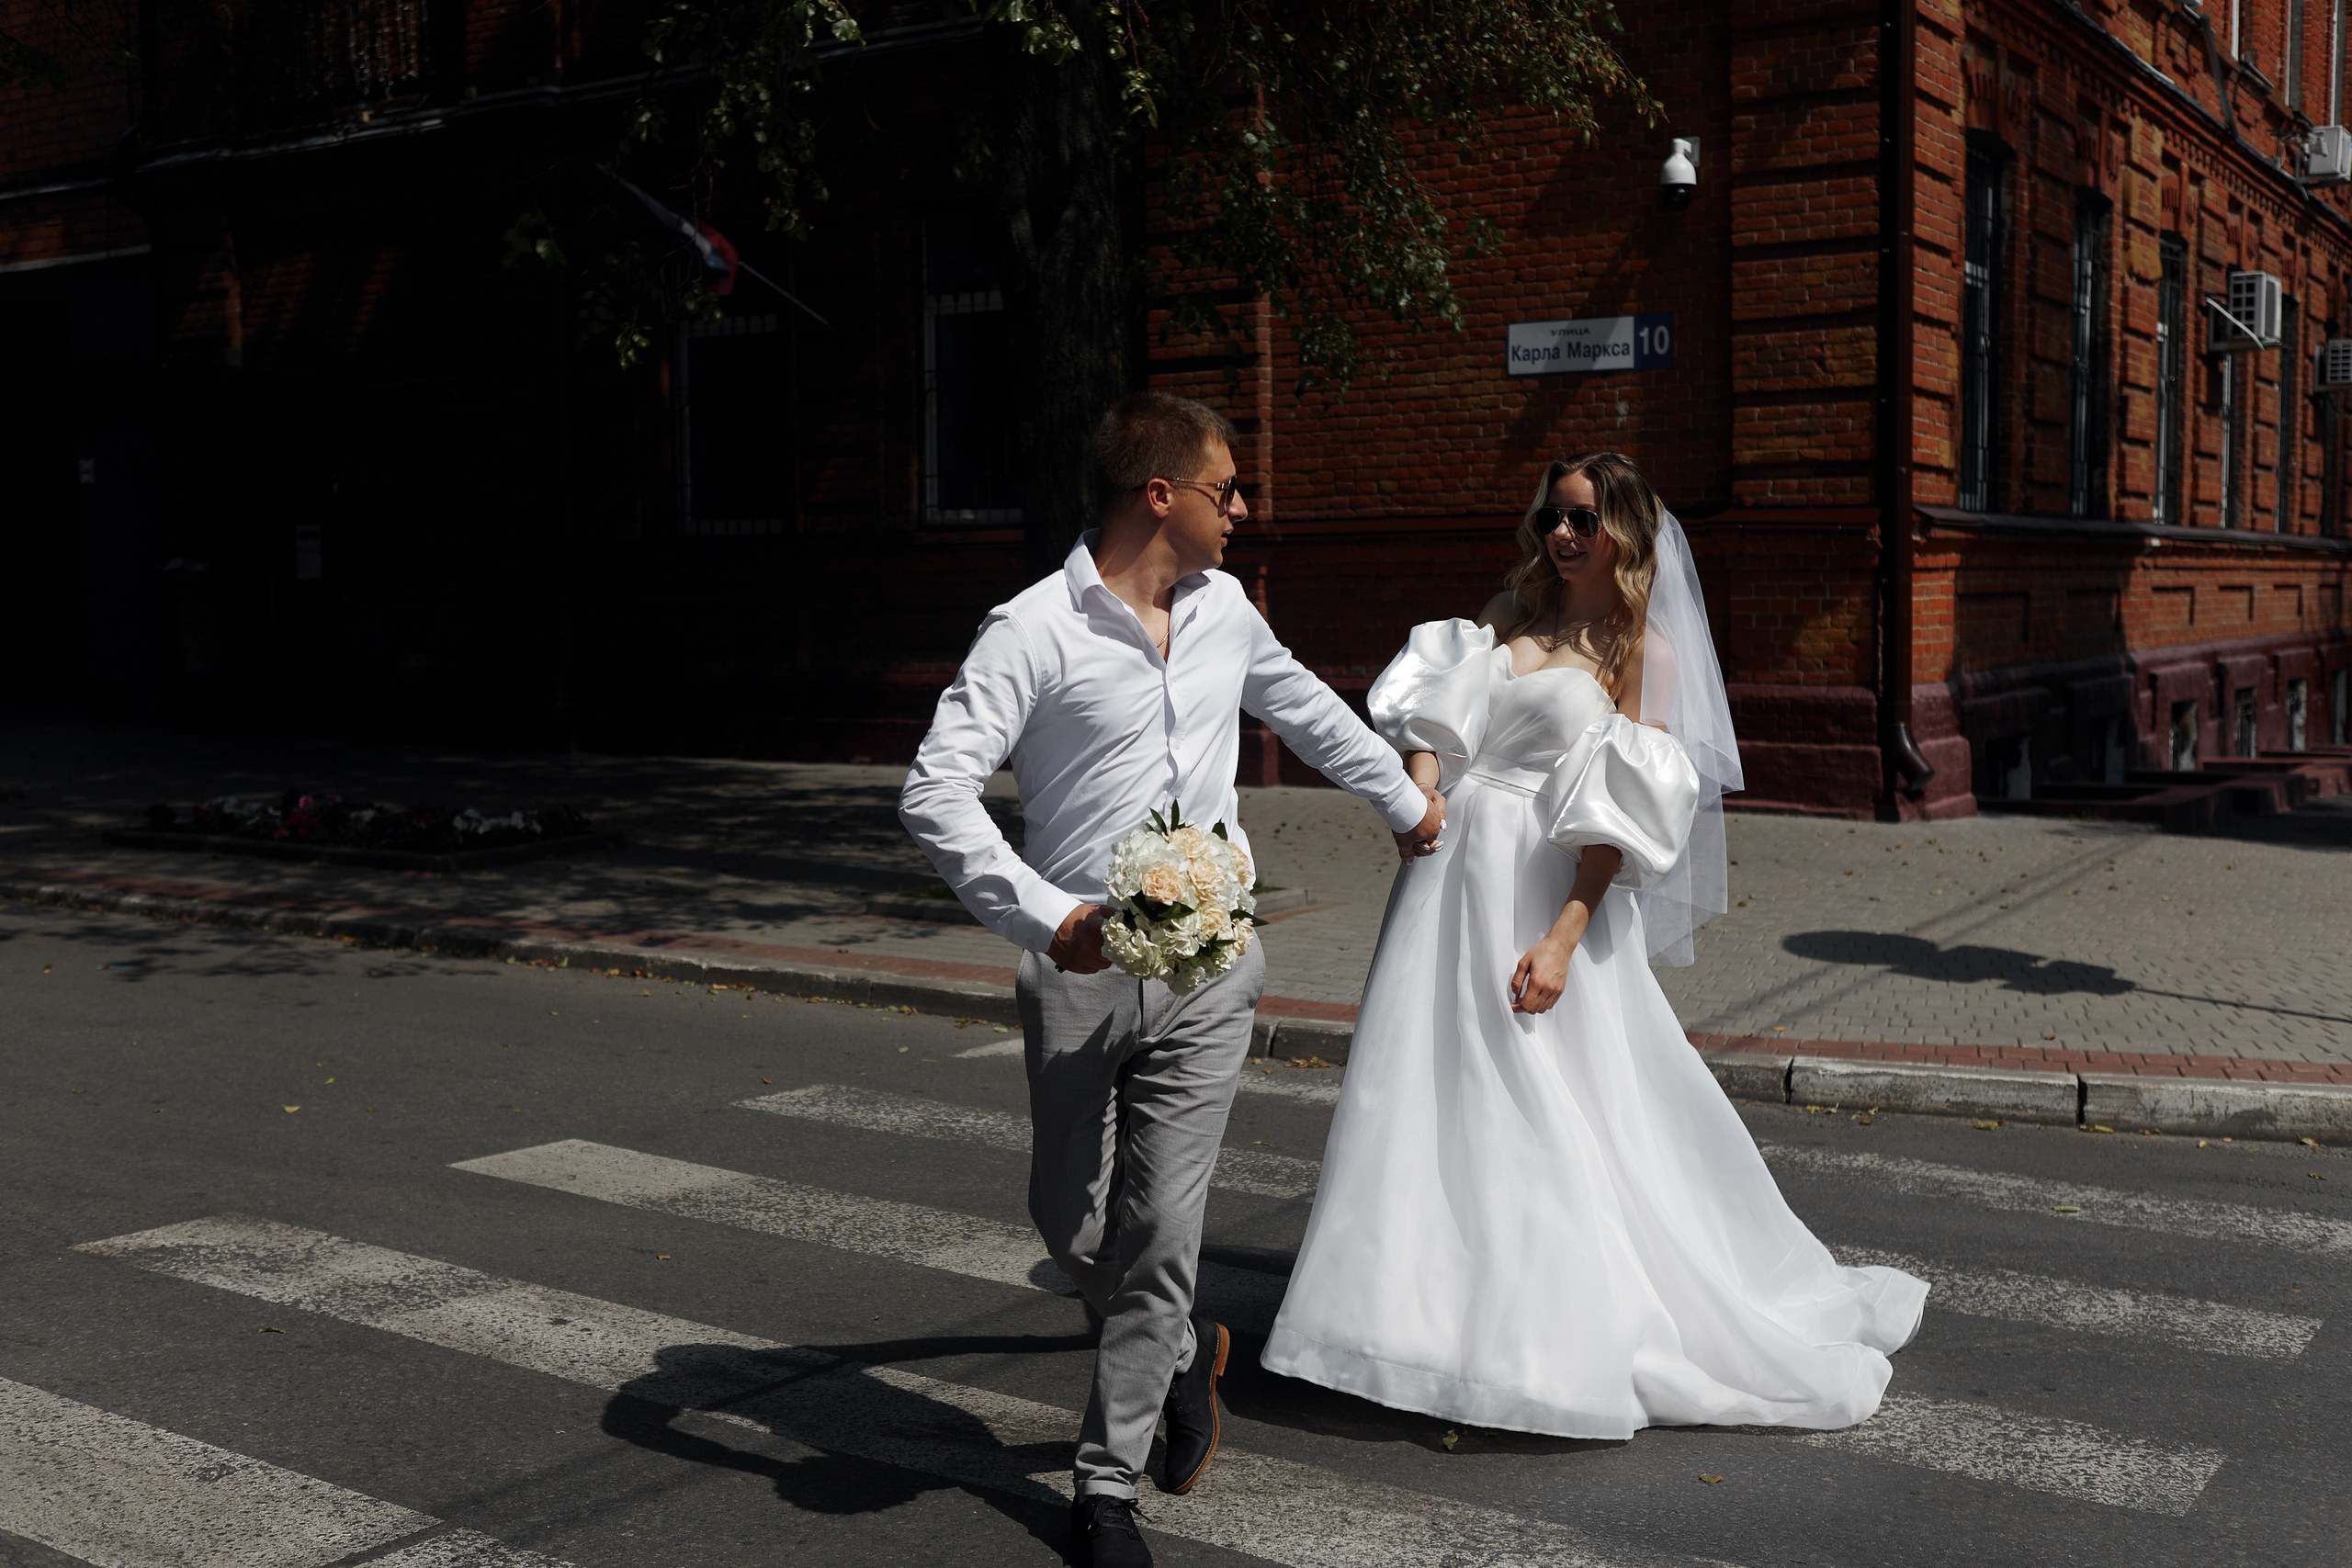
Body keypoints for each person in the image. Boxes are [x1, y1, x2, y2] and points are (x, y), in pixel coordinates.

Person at [1260, 451, 1928, 1438]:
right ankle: (1397, 1323)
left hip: (1543, 885)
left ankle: (1529, 1343)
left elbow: (1625, 811)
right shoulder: (1503, 613)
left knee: (1535, 1098)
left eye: (1581, 521)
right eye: (1551, 519)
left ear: (1623, 533)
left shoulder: (1639, 650)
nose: (1561, 537)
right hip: (1443, 877)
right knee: (1417, 1085)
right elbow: (1433, 719)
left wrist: (1567, 936)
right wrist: (1423, 779)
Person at [899, 390, 1447, 1568]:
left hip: (1212, 964)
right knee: (1067, 1218)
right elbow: (933, 794)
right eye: (1225, 488)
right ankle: (1183, 1341)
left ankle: (1105, 1489)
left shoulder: (1227, 613)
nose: (1240, 508)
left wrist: (1408, 807)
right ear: (1161, 495)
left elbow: (1302, 707)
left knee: (1160, 1227)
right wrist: (1051, 919)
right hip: (1082, 968)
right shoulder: (1031, 630)